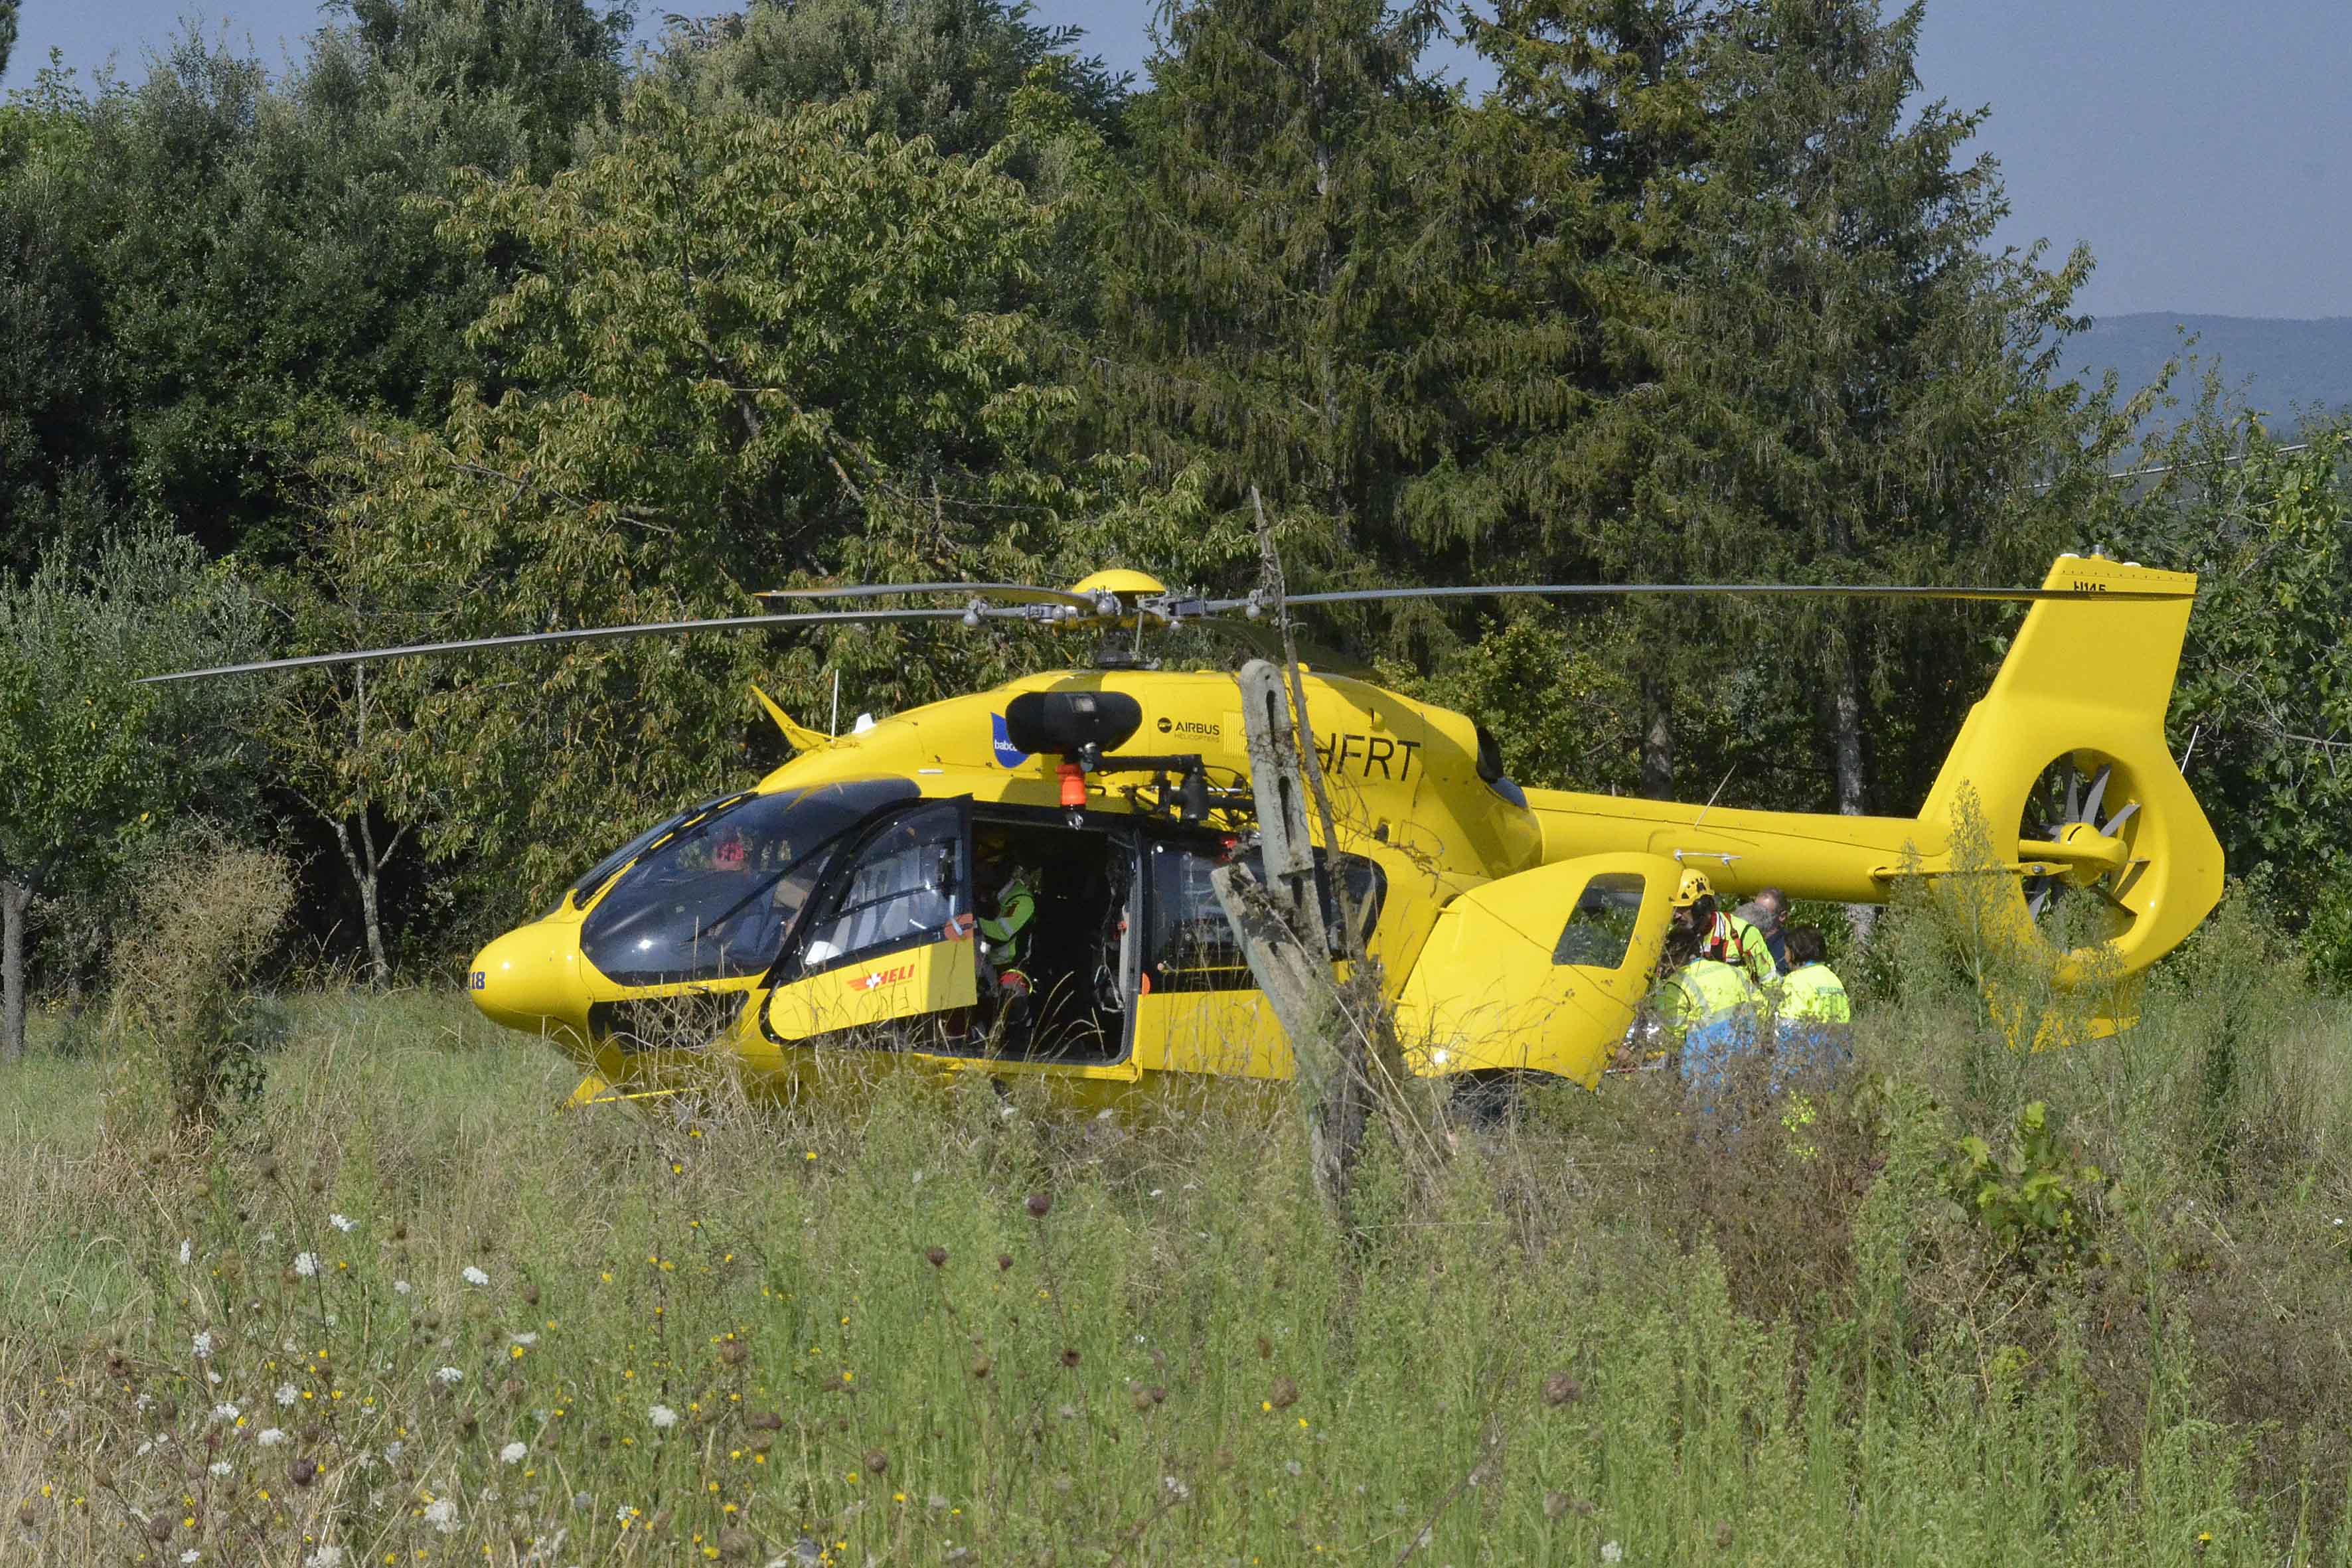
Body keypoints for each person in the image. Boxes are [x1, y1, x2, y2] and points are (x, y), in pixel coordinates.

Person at [1652, 919, 1767, 1109]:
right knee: (1740, 1120)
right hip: (1747, 1061)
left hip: (1706, 1068)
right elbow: (1762, 1009)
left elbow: (1674, 1036)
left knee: (1705, 1129)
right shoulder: (1733, 971)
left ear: (1671, 955)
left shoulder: (1675, 985)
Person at [1771, 923, 1851, 1083]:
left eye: (1786, 951)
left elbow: (1787, 1030)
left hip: (1804, 1066)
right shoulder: (1833, 979)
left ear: (1794, 952)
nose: (1785, 958)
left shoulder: (1795, 981)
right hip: (1834, 1063)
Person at [1671, 868, 1774, 988]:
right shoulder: (1674, 937)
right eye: (1674, 910)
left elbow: (1769, 980)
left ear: (1701, 907)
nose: (1676, 915)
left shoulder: (1743, 934)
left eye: (1682, 909)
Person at [974, 830, 1037, 1014]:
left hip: (1011, 969)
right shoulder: (985, 895)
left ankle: (1018, 1035)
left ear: (1000, 869)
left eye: (983, 867)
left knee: (1011, 997)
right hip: (981, 963)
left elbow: (999, 935)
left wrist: (969, 921)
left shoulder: (1022, 900)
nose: (978, 873)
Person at [1734, 886, 1790, 974]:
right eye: (1754, 911)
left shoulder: (1788, 948)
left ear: (1782, 916)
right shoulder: (1741, 938)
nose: (1755, 916)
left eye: (1764, 913)